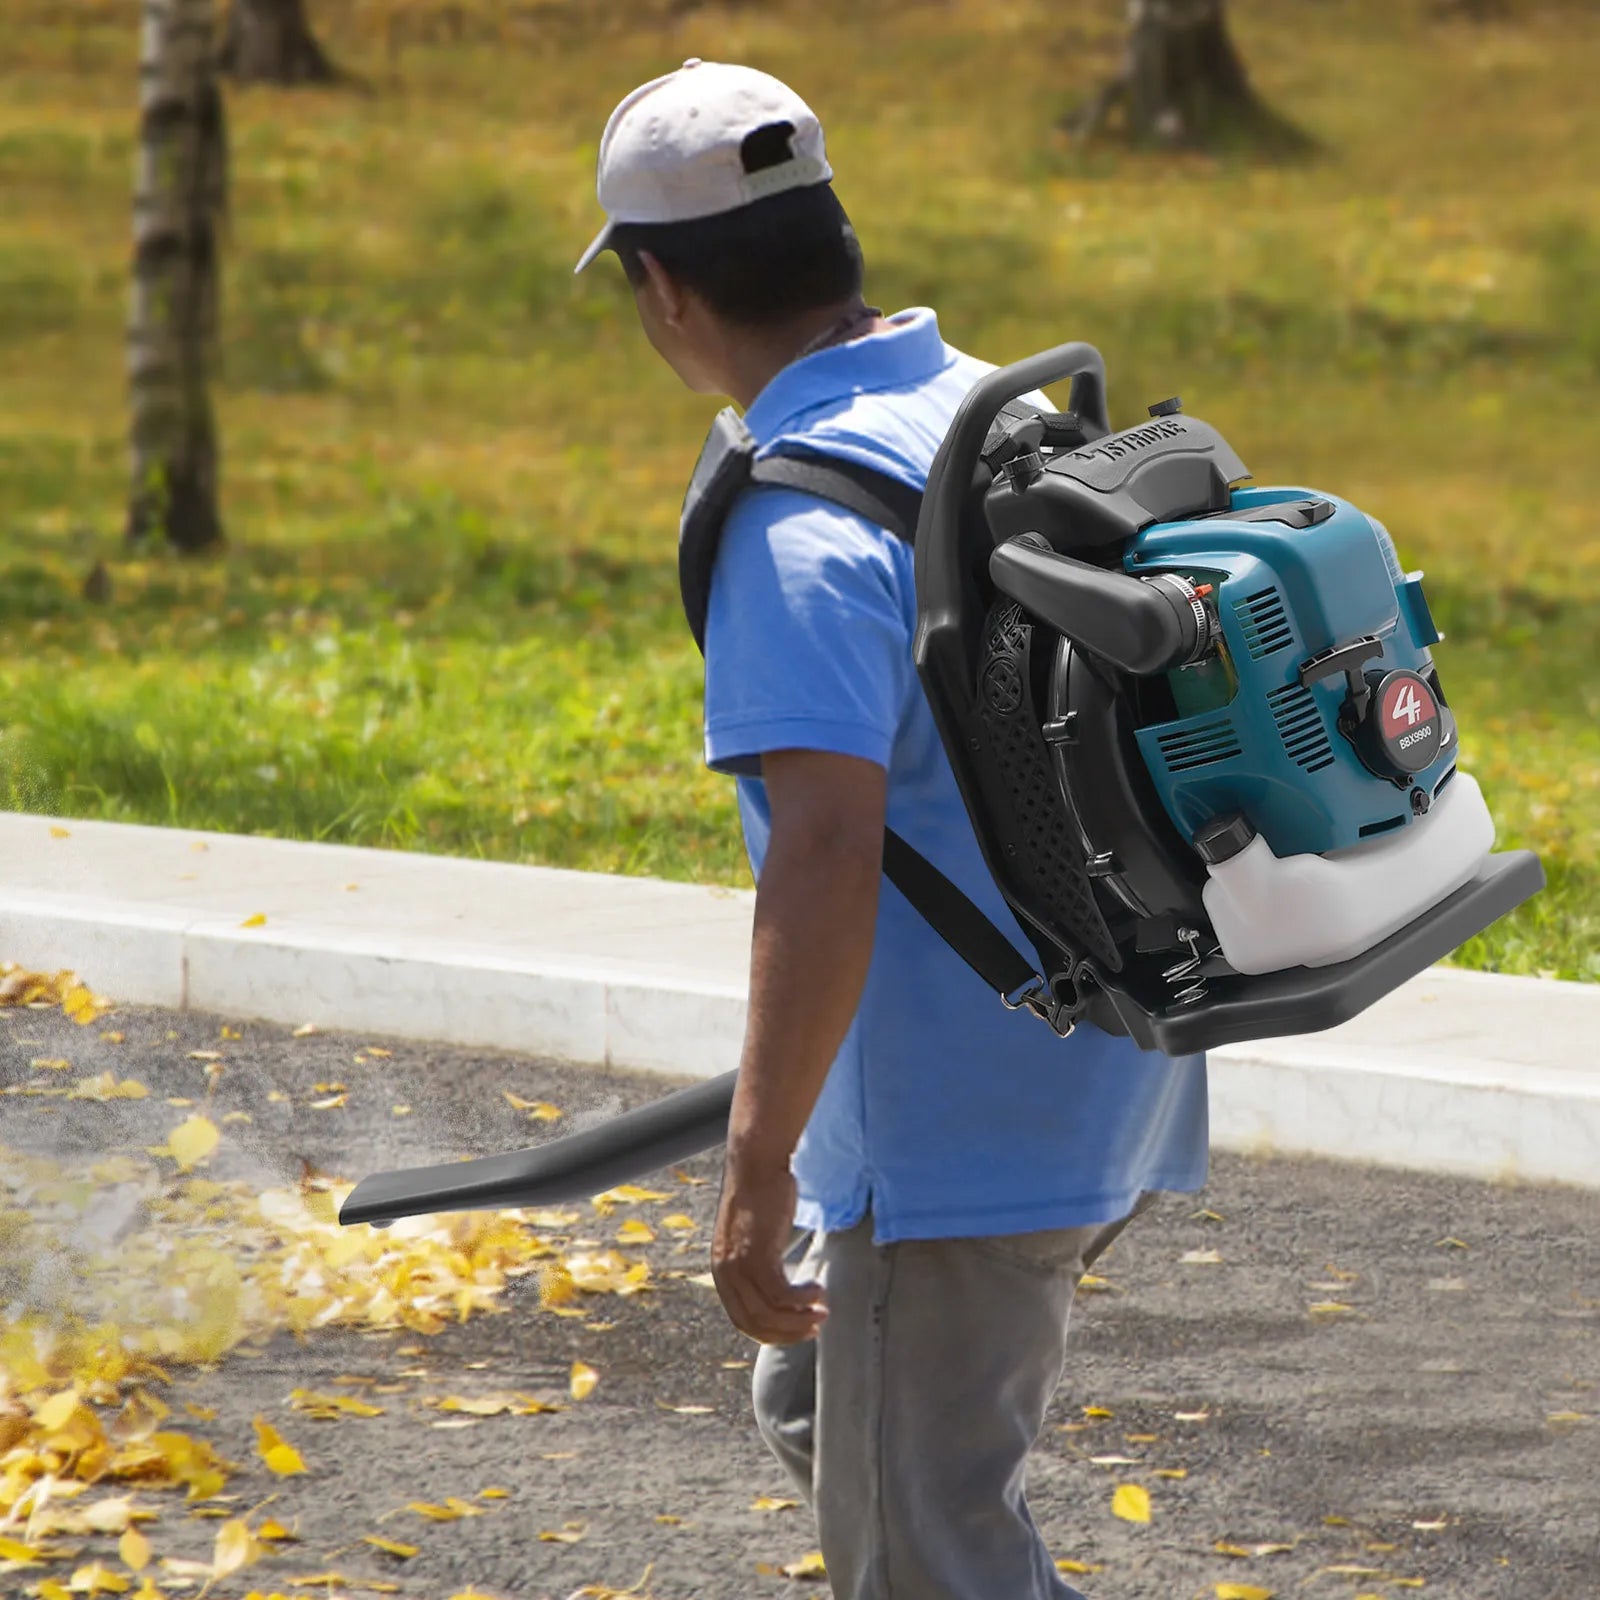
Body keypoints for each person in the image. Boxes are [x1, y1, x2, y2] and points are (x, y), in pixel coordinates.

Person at [574, 58, 1208, 1600]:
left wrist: (756, 1165)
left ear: (663, 289)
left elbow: (825, 857)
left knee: (928, 1558)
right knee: (823, 1407)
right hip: (1115, 1049)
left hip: (956, 1128)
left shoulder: (798, 526)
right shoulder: (990, 404)